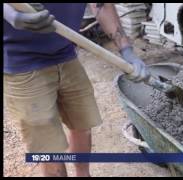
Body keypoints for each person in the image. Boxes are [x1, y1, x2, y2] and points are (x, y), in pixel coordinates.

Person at [3, 3, 149, 177]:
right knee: (47, 146)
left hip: (66, 53)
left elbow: (101, 5)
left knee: (82, 124)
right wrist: (10, 13)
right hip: (21, 62)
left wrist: (126, 50)